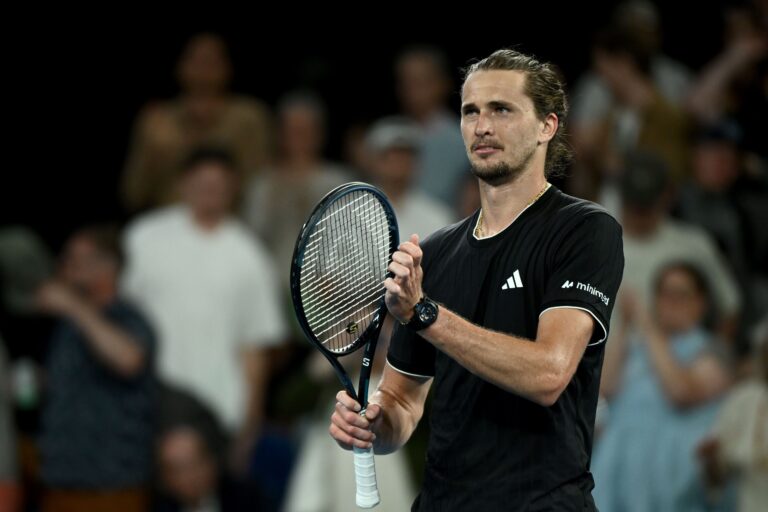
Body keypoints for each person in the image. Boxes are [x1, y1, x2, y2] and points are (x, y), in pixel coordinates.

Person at [329, 49, 625, 510]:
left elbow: (549, 374)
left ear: (547, 126)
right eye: (471, 112)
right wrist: (372, 425)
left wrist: (424, 313)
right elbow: (403, 405)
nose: (482, 126)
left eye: (501, 110)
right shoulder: (436, 252)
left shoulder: (584, 229)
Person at [123, 147, 287, 472]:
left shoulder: (250, 256)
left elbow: (255, 351)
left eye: (219, 184)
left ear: (233, 189)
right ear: (183, 184)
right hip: (146, 405)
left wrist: (249, 427)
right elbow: (119, 318)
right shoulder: (143, 238)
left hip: (219, 411)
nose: (210, 192)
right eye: (201, 183)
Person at [593, 262, 733, 512]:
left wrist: (646, 325)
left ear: (701, 303)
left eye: (681, 294)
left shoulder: (712, 350)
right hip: (618, 464)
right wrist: (626, 326)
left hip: (670, 473)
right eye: (665, 294)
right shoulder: (639, 347)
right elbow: (604, 388)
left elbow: (680, 392)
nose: (671, 302)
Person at [35, 225, 156, 512]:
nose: (65, 269)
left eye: (75, 261)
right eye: (65, 261)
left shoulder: (127, 317)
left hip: (111, 488)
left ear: (108, 266)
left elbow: (128, 359)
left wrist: (74, 306)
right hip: (60, 483)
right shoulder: (67, 327)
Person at [121, 33, 274, 212]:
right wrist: (154, 155)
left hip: (229, 227)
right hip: (167, 223)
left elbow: (260, 189)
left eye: (212, 60)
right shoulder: (157, 120)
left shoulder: (248, 118)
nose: (204, 68)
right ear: (180, 66)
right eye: (196, 59)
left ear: (228, 67)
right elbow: (132, 194)